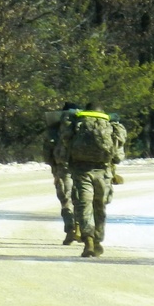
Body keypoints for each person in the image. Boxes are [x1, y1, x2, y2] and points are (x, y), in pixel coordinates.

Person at [55, 101, 126, 258]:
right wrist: (116, 122)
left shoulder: (77, 122)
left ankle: (88, 240)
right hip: (103, 171)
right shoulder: (108, 123)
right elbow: (119, 146)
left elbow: (64, 141)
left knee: (83, 205)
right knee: (99, 206)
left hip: (81, 170)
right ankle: (98, 240)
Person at [44, 102, 80, 245]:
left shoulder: (55, 128)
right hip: (81, 167)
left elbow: (47, 153)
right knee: (81, 199)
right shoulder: (82, 126)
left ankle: (70, 230)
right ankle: (81, 227)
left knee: (66, 200)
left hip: (62, 168)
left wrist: (54, 169)